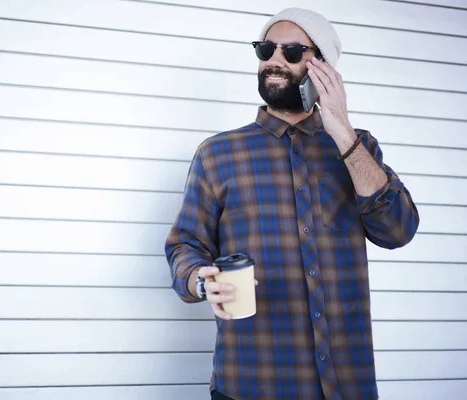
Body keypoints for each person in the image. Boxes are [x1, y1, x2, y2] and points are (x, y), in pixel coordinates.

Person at [165, 7, 420, 400]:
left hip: (346, 383)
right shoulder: (218, 153)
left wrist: (342, 130)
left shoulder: (359, 148)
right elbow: (184, 245)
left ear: (323, 69)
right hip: (251, 382)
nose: (274, 61)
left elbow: (398, 230)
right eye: (266, 49)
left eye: (293, 52)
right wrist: (201, 279)